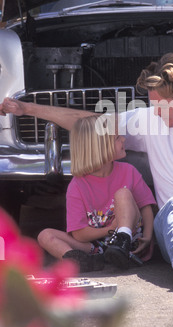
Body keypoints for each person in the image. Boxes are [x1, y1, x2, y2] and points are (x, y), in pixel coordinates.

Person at [0, 52, 173, 290]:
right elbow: (92, 124)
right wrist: (27, 109)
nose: (155, 112)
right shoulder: (150, 120)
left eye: (161, 106)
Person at [37, 114, 156, 272]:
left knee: (123, 194)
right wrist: (110, 228)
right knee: (45, 235)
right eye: (117, 138)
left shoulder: (129, 172)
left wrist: (148, 237)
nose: (123, 140)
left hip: (130, 241)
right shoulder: (77, 185)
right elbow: (79, 234)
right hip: (96, 246)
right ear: (100, 147)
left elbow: (146, 207)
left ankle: (122, 242)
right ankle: (80, 261)